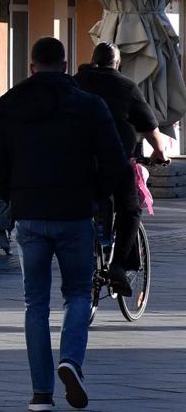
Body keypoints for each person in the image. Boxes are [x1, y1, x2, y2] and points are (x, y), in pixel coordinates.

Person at [0, 37, 131, 412]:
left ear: (32, 67)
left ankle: (41, 394)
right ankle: (70, 360)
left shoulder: (9, 105)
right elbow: (115, 160)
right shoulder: (89, 104)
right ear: (66, 66)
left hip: (29, 215)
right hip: (75, 212)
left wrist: (16, 195)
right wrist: (97, 196)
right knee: (78, 294)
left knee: (35, 302)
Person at [74, 42, 169, 295]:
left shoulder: (76, 82)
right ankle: (117, 266)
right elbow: (152, 132)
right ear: (117, 64)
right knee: (130, 209)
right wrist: (160, 155)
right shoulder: (127, 87)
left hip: (77, 165)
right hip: (115, 165)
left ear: (92, 60)